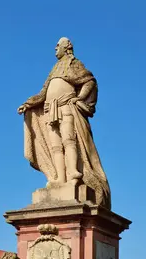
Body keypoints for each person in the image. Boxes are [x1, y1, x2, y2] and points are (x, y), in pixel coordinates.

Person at [18, 37, 111, 208]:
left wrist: (79, 98)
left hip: (66, 106)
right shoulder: (54, 69)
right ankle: (59, 178)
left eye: (57, 46)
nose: (55, 49)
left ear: (66, 47)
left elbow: (89, 81)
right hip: (50, 109)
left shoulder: (74, 63)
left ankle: (73, 174)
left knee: (69, 141)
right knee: (55, 146)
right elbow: (43, 93)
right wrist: (29, 103)